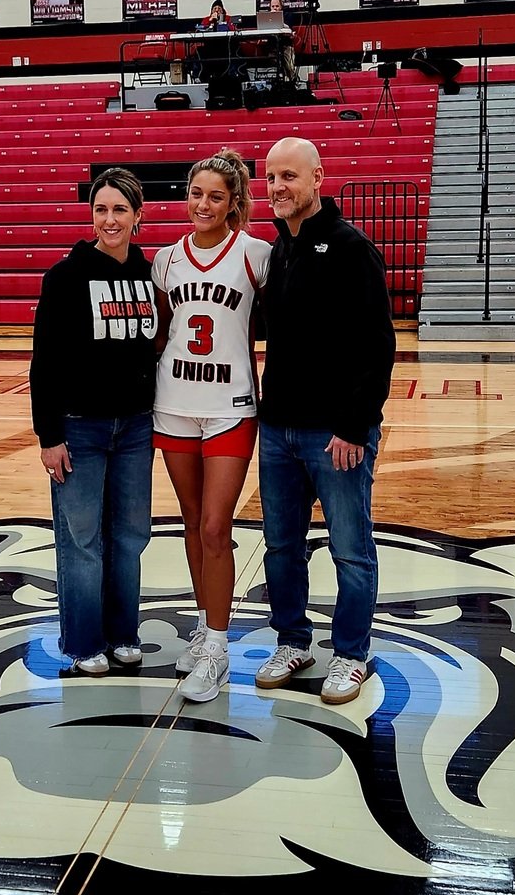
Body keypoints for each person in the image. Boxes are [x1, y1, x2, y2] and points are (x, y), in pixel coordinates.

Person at [255, 137, 395, 705]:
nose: (278, 187)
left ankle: (353, 655)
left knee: (350, 547)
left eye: (289, 176)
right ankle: (293, 640)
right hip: (278, 430)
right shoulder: (278, 249)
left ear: (318, 178)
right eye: (269, 178)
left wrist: (354, 426)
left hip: (334, 433)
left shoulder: (350, 248)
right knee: (281, 545)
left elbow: (377, 346)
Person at [153, 150, 271, 704]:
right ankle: (204, 625)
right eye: (196, 193)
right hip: (173, 403)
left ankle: (219, 652)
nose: (202, 204)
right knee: (191, 520)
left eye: (216, 197)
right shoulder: (164, 261)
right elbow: (157, 333)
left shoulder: (256, 255)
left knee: (215, 529)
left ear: (233, 203)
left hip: (230, 407)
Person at [29, 168, 157, 677]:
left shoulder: (148, 275)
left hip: (135, 428)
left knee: (129, 537)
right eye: (101, 209)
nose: (110, 219)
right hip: (79, 429)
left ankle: (123, 633)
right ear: (91, 215)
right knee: (81, 542)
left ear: (137, 217)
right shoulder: (64, 277)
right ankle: (84, 643)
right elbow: (45, 362)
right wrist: (49, 435)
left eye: (120, 210)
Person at [269, 0, 298, 82]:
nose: (275, 8)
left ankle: (292, 82)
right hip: (273, 47)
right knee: (274, 64)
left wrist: (277, 19)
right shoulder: (267, 17)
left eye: (277, 6)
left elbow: (289, 29)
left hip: (286, 45)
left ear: (281, 6)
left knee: (289, 66)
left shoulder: (288, 15)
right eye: (272, 6)